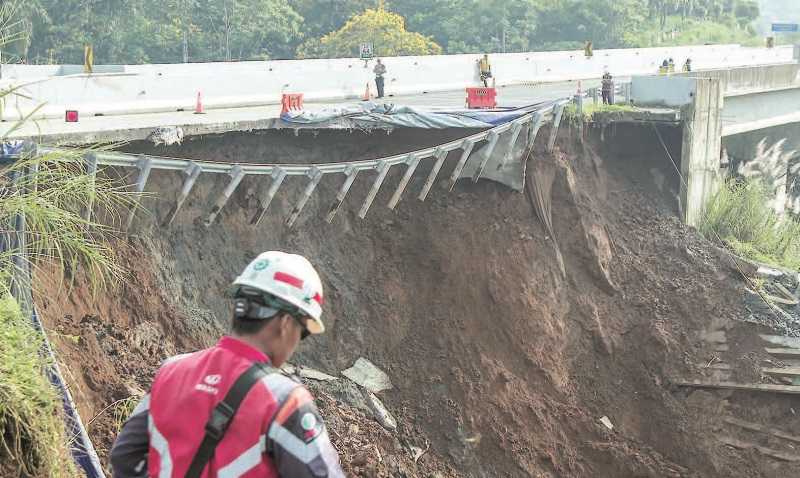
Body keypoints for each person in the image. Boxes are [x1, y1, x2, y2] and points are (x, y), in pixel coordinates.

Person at [110, 251, 345, 478]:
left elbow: (125, 457)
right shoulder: (285, 402)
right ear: (285, 323)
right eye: (303, 332)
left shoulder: (171, 370)